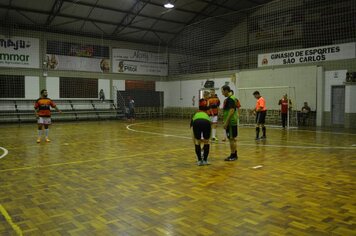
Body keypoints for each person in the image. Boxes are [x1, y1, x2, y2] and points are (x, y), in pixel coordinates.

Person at [190, 100, 212, 166]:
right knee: (206, 142)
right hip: (206, 122)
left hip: (197, 122)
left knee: (197, 142)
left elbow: (191, 128)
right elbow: (210, 126)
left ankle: (199, 161)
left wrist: (195, 140)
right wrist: (208, 139)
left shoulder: (195, 114)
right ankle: (205, 160)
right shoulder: (207, 114)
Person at [221, 85, 238, 161]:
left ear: (226, 91)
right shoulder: (232, 98)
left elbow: (231, 111)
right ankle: (235, 154)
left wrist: (226, 122)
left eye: (222, 91)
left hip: (231, 122)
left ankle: (233, 155)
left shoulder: (230, 99)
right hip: (232, 121)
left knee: (231, 139)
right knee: (232, 139)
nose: (222, 93)